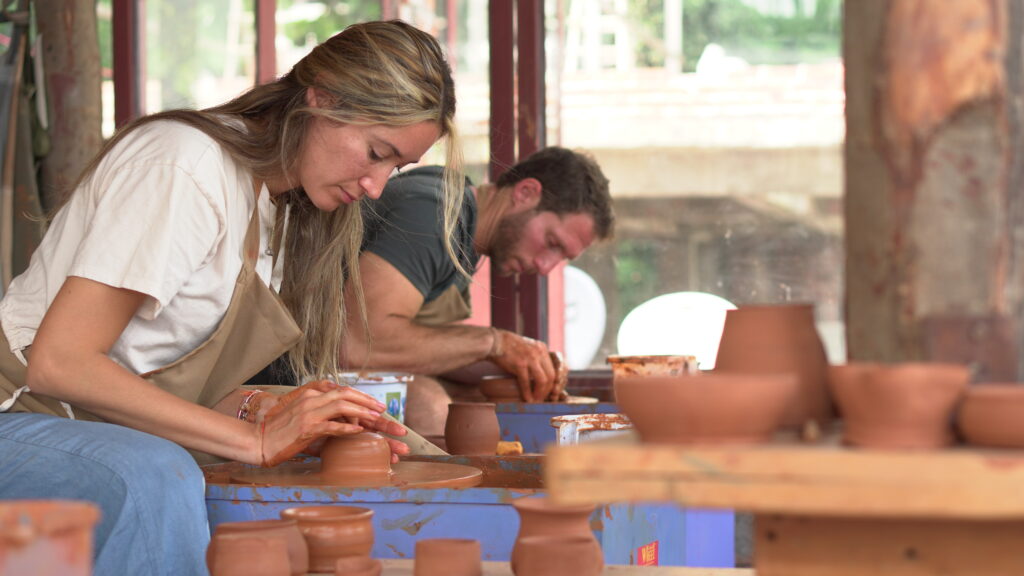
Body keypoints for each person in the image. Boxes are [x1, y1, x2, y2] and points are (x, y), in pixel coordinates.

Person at [0, 20, 460, 576]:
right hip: (19, 412)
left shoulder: (282, 209)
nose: (377, 186)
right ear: (322, 97)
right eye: (375, 151)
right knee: (153, 475)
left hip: (90, 425)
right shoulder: (185, 167)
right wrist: (256, 439)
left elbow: (156, 380)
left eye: (396, 167)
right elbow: (59, 364)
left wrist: (278, 410)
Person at [343, 147, 614, 435]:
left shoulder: (464, 224)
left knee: (483, 396)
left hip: (343, 364)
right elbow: (357, 345)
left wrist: (519, 359)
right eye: (552, 243)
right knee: (428, 403)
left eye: (562, 258)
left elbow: (411, 347)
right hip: (301, 372)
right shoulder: (435, 215)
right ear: (525, 192)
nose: (546, 267)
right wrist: (494, 343)